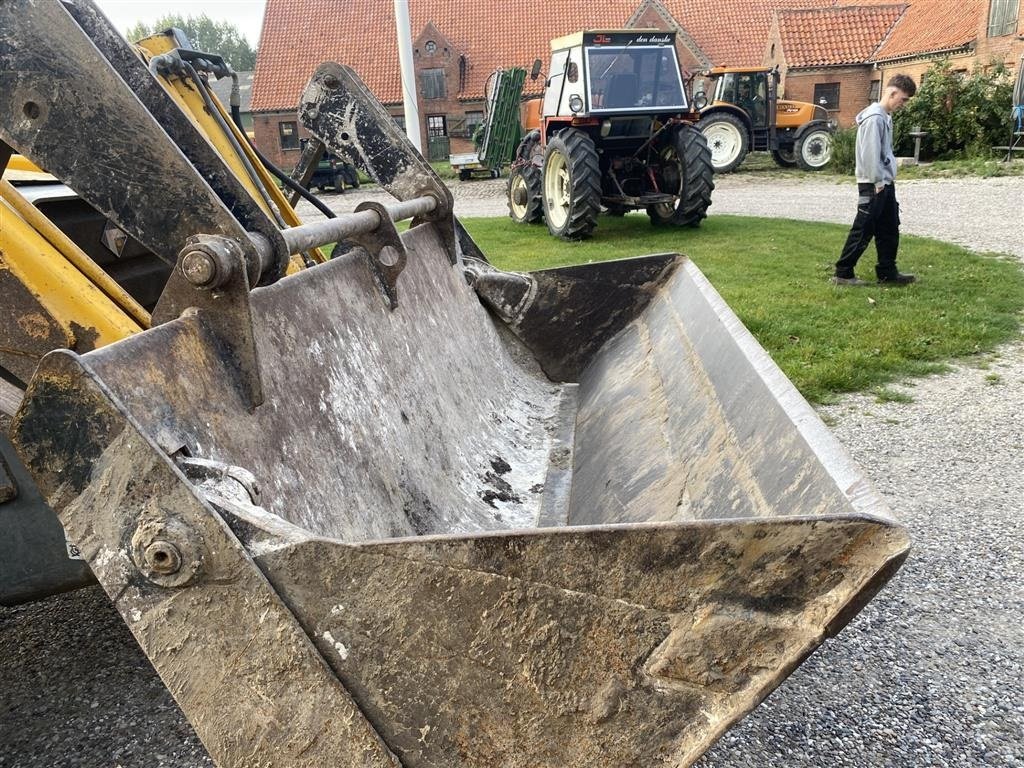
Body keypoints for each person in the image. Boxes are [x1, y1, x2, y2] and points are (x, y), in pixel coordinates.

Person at [833, 74, 917, 286]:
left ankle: (887, 272)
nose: (903, 104)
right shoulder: (875, 119)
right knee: (863, 229)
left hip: (884, 184)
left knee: (889, 228)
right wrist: (878, 182)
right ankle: (843, 272)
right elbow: (870, 154)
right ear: (892, 92)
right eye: (903, 99)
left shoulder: (884, 117)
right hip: (874, 185)